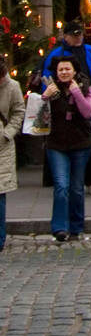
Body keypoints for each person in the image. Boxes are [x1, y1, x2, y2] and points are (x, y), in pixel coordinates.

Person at [41, 20, 91, 195]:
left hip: (87, 104)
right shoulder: (55, 54)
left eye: (80, 35)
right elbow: (47, 80)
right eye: (74, 35)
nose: (78, 38)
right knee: (64, 145)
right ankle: (67, 182)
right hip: (61, 108)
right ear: (66, 36)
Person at [42, 53, 91, 242]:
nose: (64, 72)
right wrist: (44, 98)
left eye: (67, 69)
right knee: (62, 186)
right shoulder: (51, 88)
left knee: (77, 188)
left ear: (74, 71)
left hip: (81, 143)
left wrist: (76, 92)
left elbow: (88, 112)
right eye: (61, 69)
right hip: (56, 144)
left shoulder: (85, 86)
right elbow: (37, 117)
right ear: (56, 72)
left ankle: (76, 227)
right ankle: (59, 228)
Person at [0, 56, 25, 251]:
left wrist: (7, 134)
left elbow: (18, 111)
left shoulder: (12, 86)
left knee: (0, 192)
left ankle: (0, 238)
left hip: (2, 145)